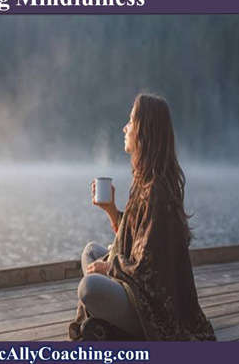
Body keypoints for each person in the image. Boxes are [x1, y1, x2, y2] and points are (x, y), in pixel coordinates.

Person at [69, 93, 216, 341]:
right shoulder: (146, 182)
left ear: (145, 132)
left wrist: (111, 268)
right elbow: (137, 240)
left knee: (89, 287)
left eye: (131, 121)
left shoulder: (157, 192)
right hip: (137, 288)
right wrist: (112, 211)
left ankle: (121, 328)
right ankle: (111, 322)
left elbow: (150, 272)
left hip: (156, 310)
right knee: (91, 252)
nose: (124, 128)